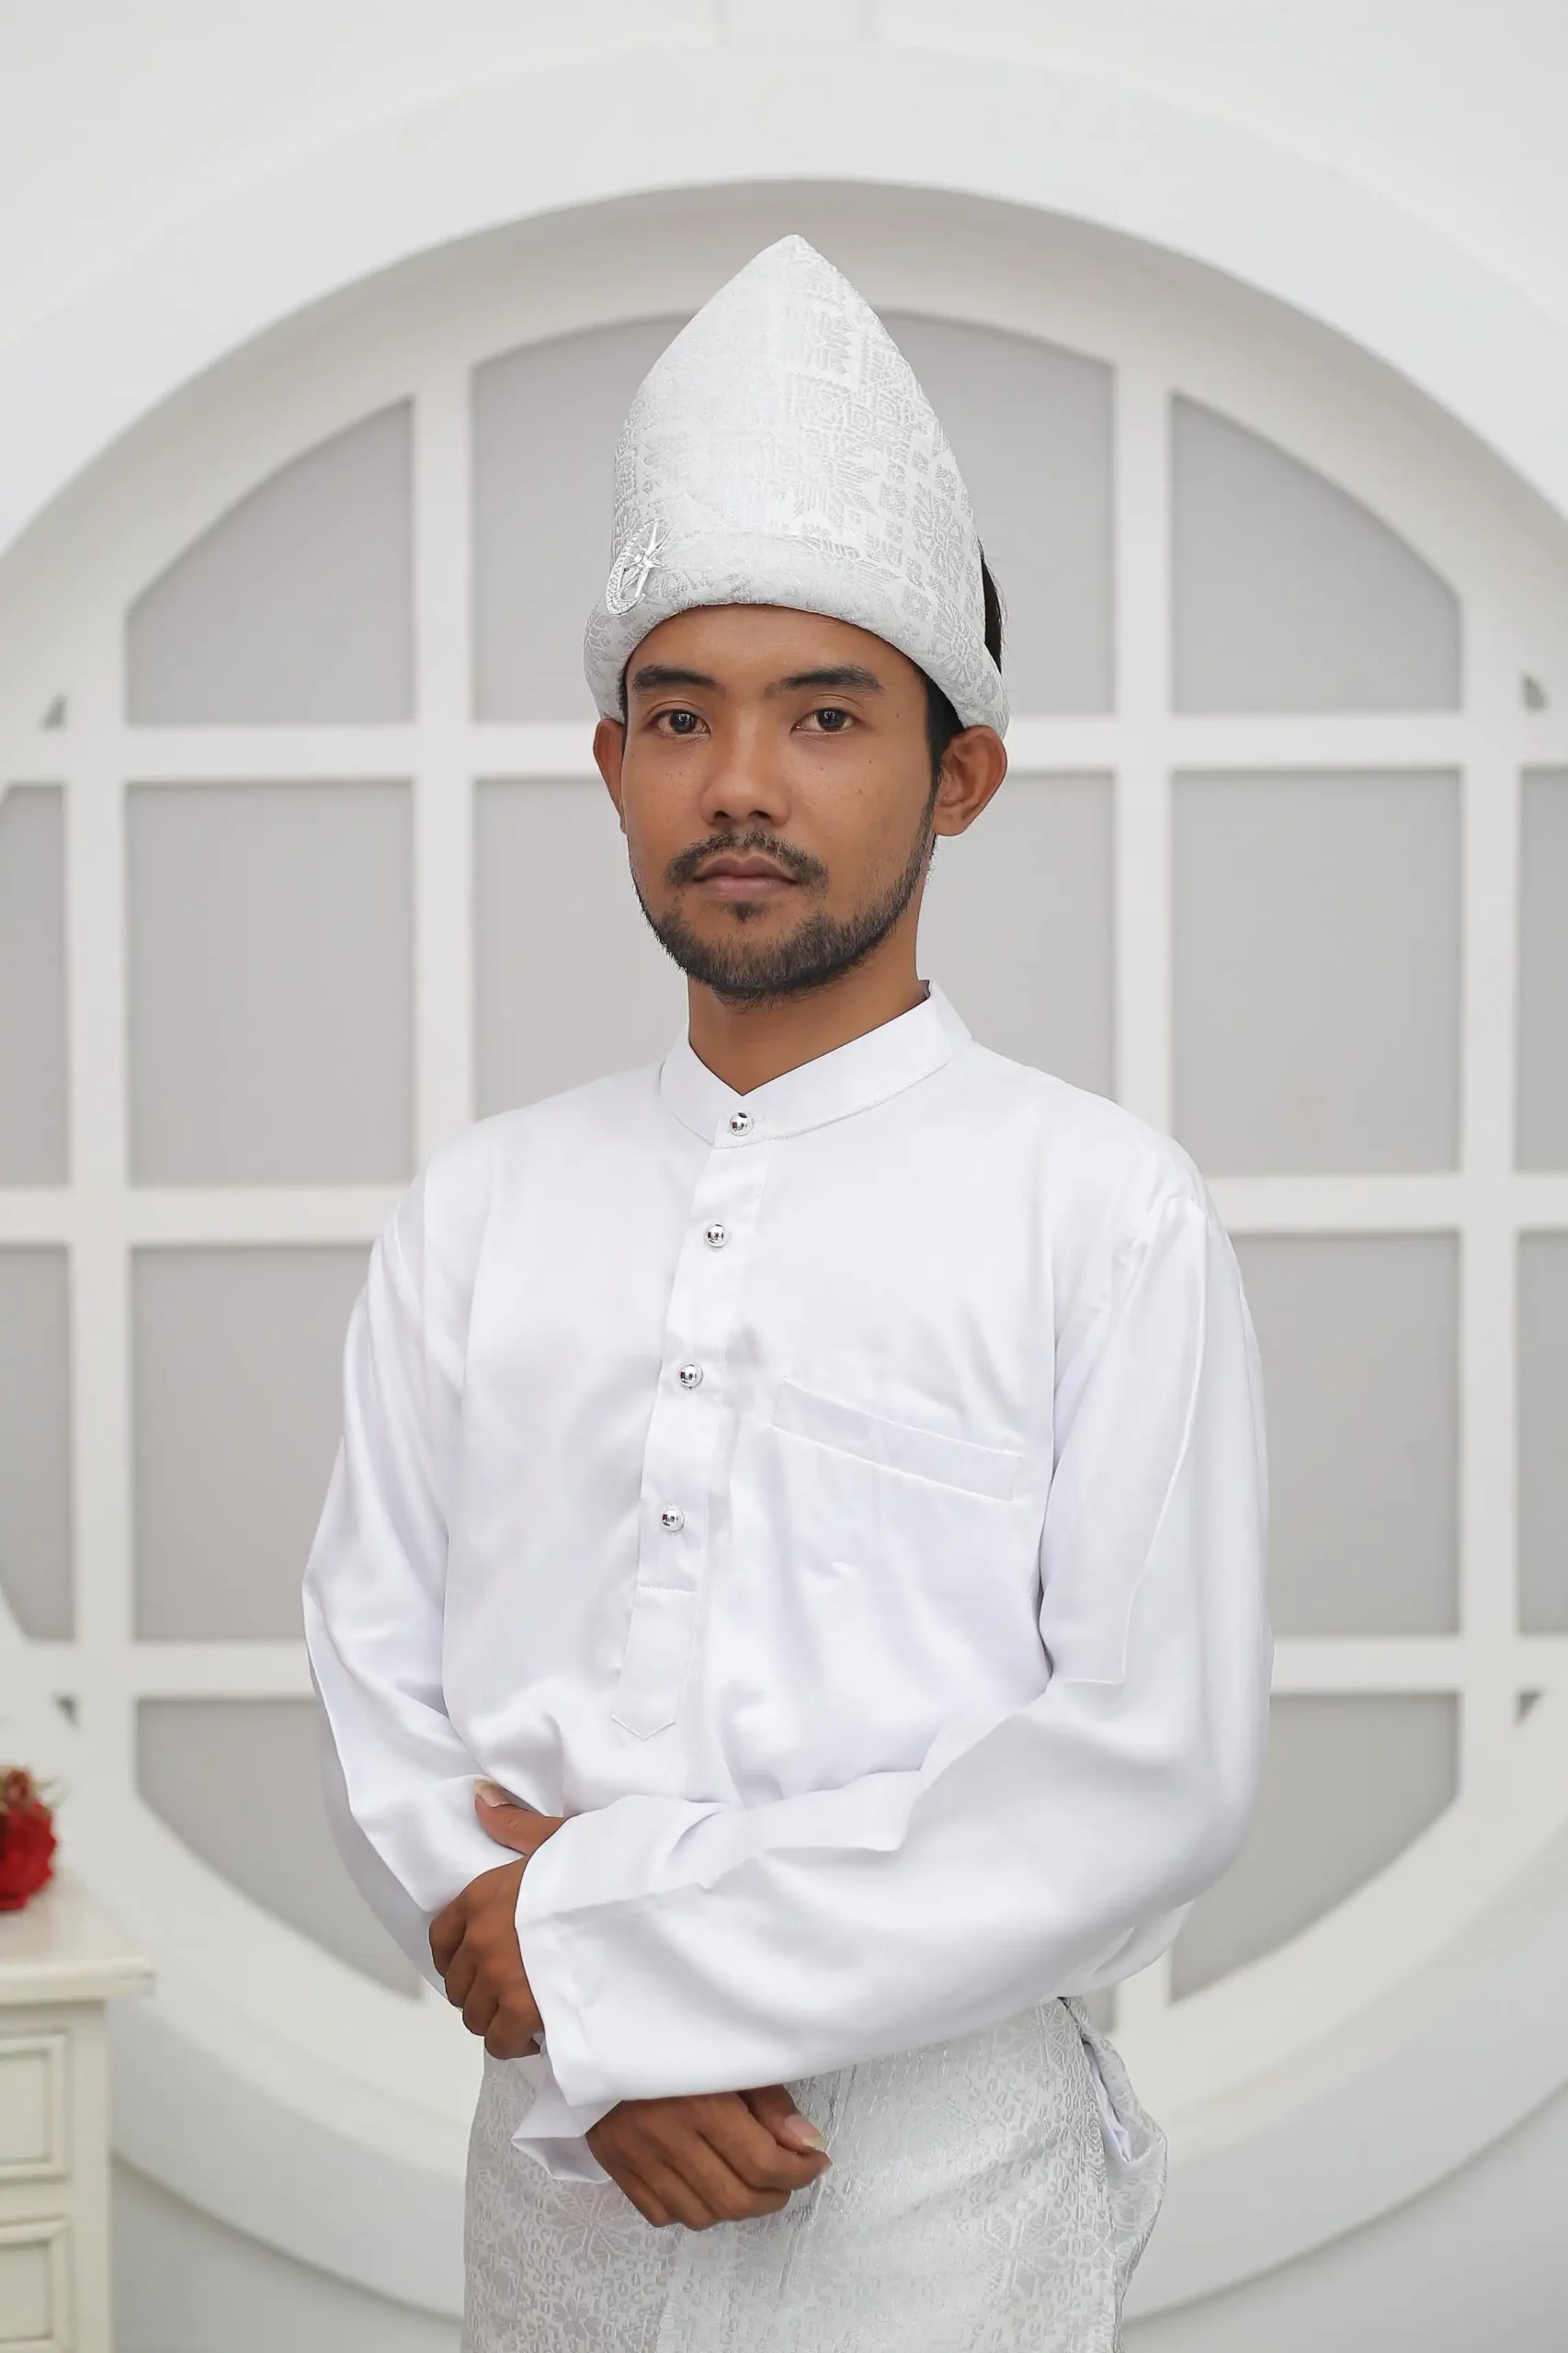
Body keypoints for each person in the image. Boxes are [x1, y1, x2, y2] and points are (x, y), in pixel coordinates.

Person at [303, 234, 1271, 2353]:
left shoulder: (1097, 1210)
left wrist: (625, 1967)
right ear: (612, 763)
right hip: (561, 2166)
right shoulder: (483, 1207)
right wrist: (578, 2015)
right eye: (681, 715)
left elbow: (1148, 1765)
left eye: (824, 713)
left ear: (960, 773)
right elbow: (378, 1674)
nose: (739, 781)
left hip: (932, 2184)